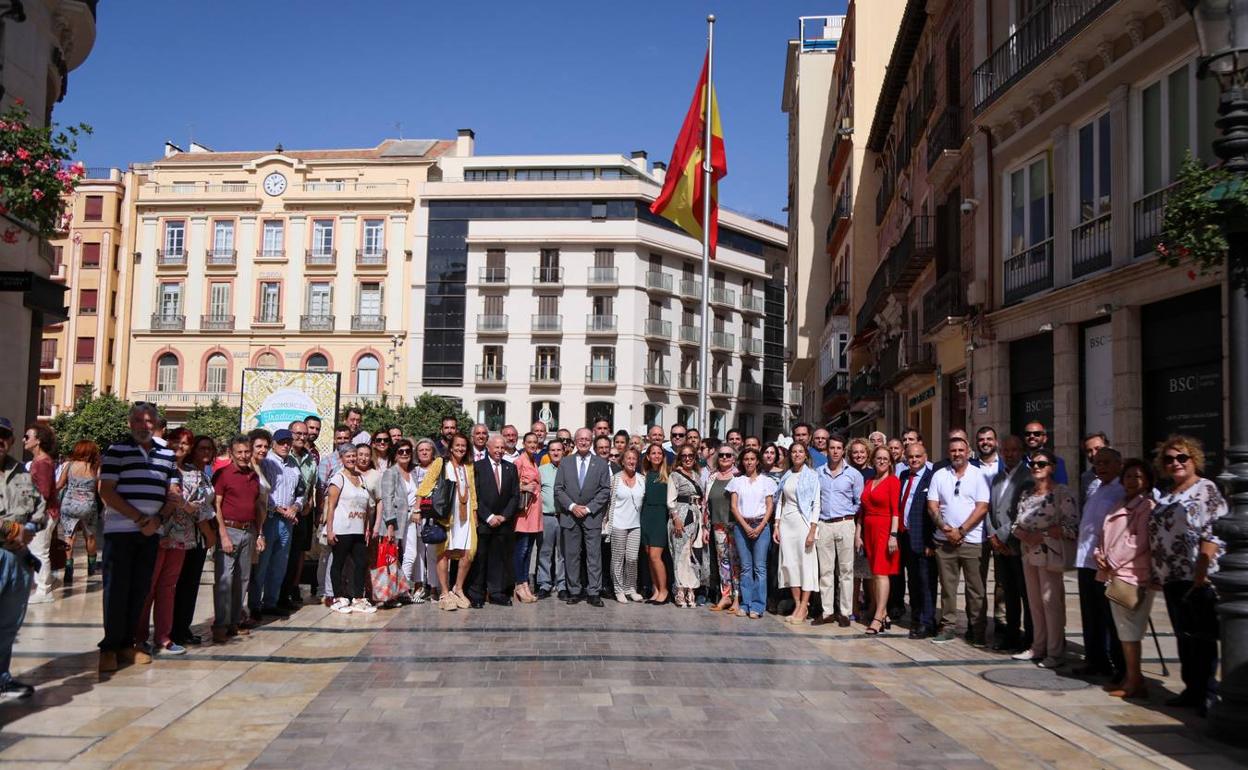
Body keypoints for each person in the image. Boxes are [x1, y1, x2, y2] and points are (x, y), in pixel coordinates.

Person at [97, 404, 178, 672]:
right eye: (138, 421)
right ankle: (109, 647)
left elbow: (172, 494)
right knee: (116, 590)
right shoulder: (116, 450)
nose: (144, 426)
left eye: (149, 421)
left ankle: (128, 644)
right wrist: (140, 519)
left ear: (155, 424)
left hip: (151, 533)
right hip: (121, 532)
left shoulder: (167, 454)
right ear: (130, 423)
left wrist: (158, 520)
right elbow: (107, 491)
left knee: (140, 590)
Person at [1151, 435, 1227, 716]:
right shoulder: (1169, 494)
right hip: (1171, 575)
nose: (1176, 463)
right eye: (1169, 459)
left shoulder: (1206, 489)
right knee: (1184, 636)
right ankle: (1191, 688)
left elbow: (1213, 531)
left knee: (1203, 636)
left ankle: (1208, 692)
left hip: (1197, 576)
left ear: (1194, 459)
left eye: (1182, 457)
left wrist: (1201, 573)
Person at [137, 428, 212, 655]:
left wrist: (183, 505)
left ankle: (164, 636)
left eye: (186, 443)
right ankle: (139, 636)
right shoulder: (155, 467)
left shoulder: (194, 473)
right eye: (176, 441)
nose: (180, 446)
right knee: (148, 587)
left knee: (168, 588)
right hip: (157, 533)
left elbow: (200, 505)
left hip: (181, 536)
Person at [1094, 458, 1156, 700]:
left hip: (1133, 574)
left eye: (1138, 477)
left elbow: (1138, 542)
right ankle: (1131, 677)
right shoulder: (1120, 502)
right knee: (1124, 630)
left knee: (1131, 630)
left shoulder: (1147, 506)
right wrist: (1099, 553)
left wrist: (1111, 559)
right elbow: (1104, 534)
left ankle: (1135, 680)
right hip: (1115, 572)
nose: (1132, 481)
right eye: (1129, 476)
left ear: (1148, 480)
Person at [1010, 449, 1078, 669]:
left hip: (1051, 555)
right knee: (1035, 603)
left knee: (1051, 603)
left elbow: (1072, 526)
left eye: (1042, 464)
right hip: (1029, 554)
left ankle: (1055, 651)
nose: (1036, 468)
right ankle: (1038, 646)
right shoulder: (1027, 494)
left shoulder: (1062, 493)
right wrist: (1025, 535)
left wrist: (1044, 535)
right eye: (1033, 465)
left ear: (1052, 467)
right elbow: (1016, 524)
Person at [926, 435, 991, 645]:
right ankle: (948, 626)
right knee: (947, 587)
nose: (957, 454)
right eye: (953, 451)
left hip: (972, 541)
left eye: (960, 450)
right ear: (948, 453)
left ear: (968, 451)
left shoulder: (978, 475)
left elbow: (982, 507)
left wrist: (961, 531)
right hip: (944, 542)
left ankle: (977, 629)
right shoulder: (939, 475)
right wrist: (946, 528)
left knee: (976, 589)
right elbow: (932, 505)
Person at [0, 416, 46, 699]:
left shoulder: (21, 472)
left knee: (8, 623)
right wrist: (13, 530)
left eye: (4, 436)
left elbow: (39, 507)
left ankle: (2, 677)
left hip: (17, 558)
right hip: (7, 546)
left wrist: (29, 527)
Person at [1074, 448, 1126, 679]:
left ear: (1118, 464)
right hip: (1086, 560)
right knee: (1090, 615)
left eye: (1106, 462)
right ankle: (1095, 660)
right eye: (1097, 463)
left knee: (1110, 618)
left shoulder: (1121, 490)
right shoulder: (1096, 488)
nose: (1101, 467)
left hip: (1106, 564)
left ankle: (1118, 665)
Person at [211, 435, 265, 642]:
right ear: (232, 454)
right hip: (229, 530)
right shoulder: (223, 475)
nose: (243, 456)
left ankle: (234, 621)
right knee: (225, 578)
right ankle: (220, 624)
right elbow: (217, 505)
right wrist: (223, 534)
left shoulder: (253, 476)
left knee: (242, 579)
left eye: (246, 451)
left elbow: (257, 506)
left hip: (248, 531)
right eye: (239, 452)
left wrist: (259, 533)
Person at [418, 433, 478, 611]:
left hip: (465, 514)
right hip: (446, 515)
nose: (460, 448)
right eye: (457, 445)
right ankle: (444, 592)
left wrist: (474, 512)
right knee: (444, 552)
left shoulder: (468, 466)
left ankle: (458, 588)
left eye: (464, 446)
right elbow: (427, 484)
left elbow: (472, 490)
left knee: (469, 552)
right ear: (450, 447)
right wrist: (417, 508)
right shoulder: (441, 463)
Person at [985, 435, 1033, 652]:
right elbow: (989, 509)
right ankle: (1011, 635)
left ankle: (1031, 638)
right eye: (1006, 450)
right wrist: (992, 535)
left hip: (1017, 546)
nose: (1010, 454)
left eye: (1014, 450)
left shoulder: (1028, 477)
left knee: (1026, 595)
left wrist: (1001, 536)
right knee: (1008, 594)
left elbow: (1022, 515)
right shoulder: (997, 478)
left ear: (1021, 451)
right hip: (999, 547)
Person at [251, 429, 306, 618]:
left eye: (288, 442)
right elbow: (262, 492)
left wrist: (296, 507)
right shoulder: (266, 462)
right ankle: (254, 605)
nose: (285, 446)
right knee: (262, 565)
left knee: (279, 565)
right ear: (273, 443)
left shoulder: (293, 465)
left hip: (288, 522)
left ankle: (270, 602)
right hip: (269, 519)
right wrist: (277, 508)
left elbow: (301, 492)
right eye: (281, 442)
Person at [555, 428, 612, 606]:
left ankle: (594, 592)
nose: (584, 442)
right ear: (575, 440)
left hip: (591, 516)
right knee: (571, 555)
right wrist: (572, 506)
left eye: (587, 439)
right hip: (570, 516)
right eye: (580, 439)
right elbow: (559, 489)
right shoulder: (566, 462)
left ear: (591, 441)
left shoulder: (601, 464)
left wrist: (588, 508)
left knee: (593, 555)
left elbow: (605, 490)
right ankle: (574, 590)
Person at [170, 436, 217, 647]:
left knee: (191, 585)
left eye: (209, 449)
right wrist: (209, 534)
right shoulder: (189, 473)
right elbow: (198, 509)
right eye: (201, 448)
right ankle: (176, 629)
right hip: (189, 535)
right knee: (183, 584)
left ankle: (183, 627)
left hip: (197, 537)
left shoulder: (205, 474)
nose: (206, 452)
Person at [812, 435, 862, 628]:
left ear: (843, 451)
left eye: (838, 448)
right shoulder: (819, 472)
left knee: (846, 571)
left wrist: (849, 516)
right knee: (825, 571)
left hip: (845, 523)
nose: (835, 451)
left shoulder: (853, 474)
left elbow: (859, 501)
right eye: (832, 448)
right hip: (824, 524)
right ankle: (827, 612)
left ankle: (845, 612)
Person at [324, 444, 377, 615]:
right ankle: (338, 597)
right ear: (341, 458)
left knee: (360, 564)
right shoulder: (338, 478)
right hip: (341, 528)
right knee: (338, 563)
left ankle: (358, 598)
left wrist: (367, 527)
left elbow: (367, 506)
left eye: (354, 456)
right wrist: (330, 530)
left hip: (358, 529)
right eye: (348, 456)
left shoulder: (361, 478)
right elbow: (330, 506)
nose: (352, 459)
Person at [468, 435, 519, 607]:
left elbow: (515, 496)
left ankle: (496, 592)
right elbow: (475, 496)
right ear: (488, 448)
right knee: (480, 559)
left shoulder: (511, 468)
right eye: (496, 447)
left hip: (503, 523)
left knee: (499, 559)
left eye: (502, 448)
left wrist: (504, 516)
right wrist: (489, 516)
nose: (499, 451)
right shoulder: (477, 467)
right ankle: (477, 594)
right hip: (484, 522)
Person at [727, 448, 776, 619]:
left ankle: (758, 605)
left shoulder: (766, 481)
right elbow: (733, 506)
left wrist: (761, 525)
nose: (749, 462)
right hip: (742, 526)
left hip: (761, 525)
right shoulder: (737, 481)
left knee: (760, 567)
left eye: (752, 458)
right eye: (746, 459)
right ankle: (745, 603)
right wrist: (745, 527)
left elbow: (770, 506)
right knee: (746, 567)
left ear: (757, 461)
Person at [775, 442, 820, 624]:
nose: (797, 454)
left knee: (805, 565)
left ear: (806, 455)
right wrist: (777, 525)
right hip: (786, 523)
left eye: (800, 451)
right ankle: (797, 604)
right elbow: (780, 501)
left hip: (803, 523)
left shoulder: (812, 476)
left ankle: (804, 606)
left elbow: (816, 504)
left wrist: (812, 530)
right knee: (790, 565)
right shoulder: (786, 475)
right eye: (793, 451)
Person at [858, 446, 901, 635]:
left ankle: (878, 616)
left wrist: (893, 535)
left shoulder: (893, 481)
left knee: (882, 573)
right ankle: (882, 613)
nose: (882, 461)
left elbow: (895, 511)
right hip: (869, 530)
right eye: (878, 458)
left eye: (885, 458)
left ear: (890, 462)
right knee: (874, 573)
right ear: (873, 460)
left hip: (884, 529)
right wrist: (858, 533)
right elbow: (863, 510)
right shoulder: (869, 480)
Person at [898, 443, 937, 639]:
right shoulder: (904, 476)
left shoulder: (932, 478)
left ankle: (928, 622)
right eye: (910, 456)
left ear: (925, 456)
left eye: (918, 456)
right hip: (905, 537)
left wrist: (931, 542)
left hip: (923, 539)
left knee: (926, 583)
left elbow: (934, 513)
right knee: (912, 582)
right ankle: (916, 617)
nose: (914, 460)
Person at [281, 420, 318, 610]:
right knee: (281, 556)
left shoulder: (311, 459)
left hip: (301, 512)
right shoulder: (283, 456)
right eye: (298, 433)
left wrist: (309, 503)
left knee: (296, 555)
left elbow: (311, 485)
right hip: (281, 513)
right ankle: (275, 595)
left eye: (304, 434)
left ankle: (288, 592)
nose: (302, 437)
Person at [666, 446, 708, 608]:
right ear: (680, 458)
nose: (688, 458)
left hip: (696, 515)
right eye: (684, 456)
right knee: (680, 554)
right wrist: (675, 517)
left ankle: (691, 589)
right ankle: (680, 589)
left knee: (692, 554)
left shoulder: (697, 476)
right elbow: (670, 499)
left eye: (691, 455)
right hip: (681, 515)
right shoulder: (675, 475)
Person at [54, 440, 101, 584]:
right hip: (88, 505)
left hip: (69, 504)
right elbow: (100, 490)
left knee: (69, 536)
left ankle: (69, 568)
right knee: (90, 536)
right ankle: (91, 567)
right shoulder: (96, 468)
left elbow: (60, 485)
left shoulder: (69, 465)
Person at [398, 438, 439, 602]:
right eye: (420, 450)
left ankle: (435, 587)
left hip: (434, 516)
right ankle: (419, 585)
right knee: (419, 552)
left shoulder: (438, 468)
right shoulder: (413, 470)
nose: (423, 452)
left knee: (433, 552)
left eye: (427, 450)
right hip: (416, 517)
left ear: (432, 452)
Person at [378, 438, 417, 606]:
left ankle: (403, 590)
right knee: (390, 558)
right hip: (394, 521)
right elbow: (387, 499)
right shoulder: (391, 472)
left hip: (411, 519)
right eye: (401, 451)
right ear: (395, 454)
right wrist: (390, 525)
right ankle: (388, 595)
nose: (405, 454)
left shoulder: (414, 472)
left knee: (411, 554)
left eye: (408, 451)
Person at [23, 424, 58, 604]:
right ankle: (41, 585)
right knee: (36, 549)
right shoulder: (40, 461)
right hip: (42, 513)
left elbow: (43, 492)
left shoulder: (42, 462)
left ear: (38, 440)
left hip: (44, 513)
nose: (24, 440)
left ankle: (44, 590)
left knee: (40, 551)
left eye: (27, 437)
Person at [607, 447, 645, 603]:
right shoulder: (614, 479)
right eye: (628, 458)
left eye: (634, 458)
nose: (631, 461)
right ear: (622, 461)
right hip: (618, 523)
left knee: (632, 558)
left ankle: (631, 588)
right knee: (617, 558)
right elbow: (608, 501)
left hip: (635, 524)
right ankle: (619, 589)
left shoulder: (642, 479)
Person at [705, 445, 740, 612]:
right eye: (722, 455)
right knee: (723, 562)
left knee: (736, 563)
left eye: (729, 455)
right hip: (717, 525)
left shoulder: (739, 477)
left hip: (735, 525)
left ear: (734, 458)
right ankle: (725, 595)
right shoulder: (712, 477)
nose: (725, 458)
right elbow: (706, 504)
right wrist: (705, 527)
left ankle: (737, 597)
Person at [511, 432, 543, 603]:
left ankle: (524, 583)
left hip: (534, 513)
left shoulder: (533, 461)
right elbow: (511, 485)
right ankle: (519, 584)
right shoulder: (519, 461)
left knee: (529, 550)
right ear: (524, 443)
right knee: (521, 550)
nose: (532, 445)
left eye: (535, 442)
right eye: (529, 442)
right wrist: (524, 486)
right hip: (524, 513)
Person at [640, 443, 671, 605]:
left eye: (659, 453)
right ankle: (656, 589)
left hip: (660, 517)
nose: (657, 456)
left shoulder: (668, 474)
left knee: (655, 556)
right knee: (649, 556)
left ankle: (664, 589)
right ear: (648, 456)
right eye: (653, 453)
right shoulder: (645, 474)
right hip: (646, 516)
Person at [536, 438, 567, 599]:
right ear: (548, 452)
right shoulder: (541, 469)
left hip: (564, 517)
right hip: (546, 517)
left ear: (564, 451)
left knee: (563, 553)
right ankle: (544, 584)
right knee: (544, 552)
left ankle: (562, 585)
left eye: (558, 450)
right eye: (552, 450)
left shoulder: (569, 469)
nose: (555, 453)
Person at [1079, 432, 1111, 504]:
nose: (1094, 454)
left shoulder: (1120, 475)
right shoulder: (1086, 477)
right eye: (1089, 451)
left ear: (1108, 448)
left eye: (1097, 448)